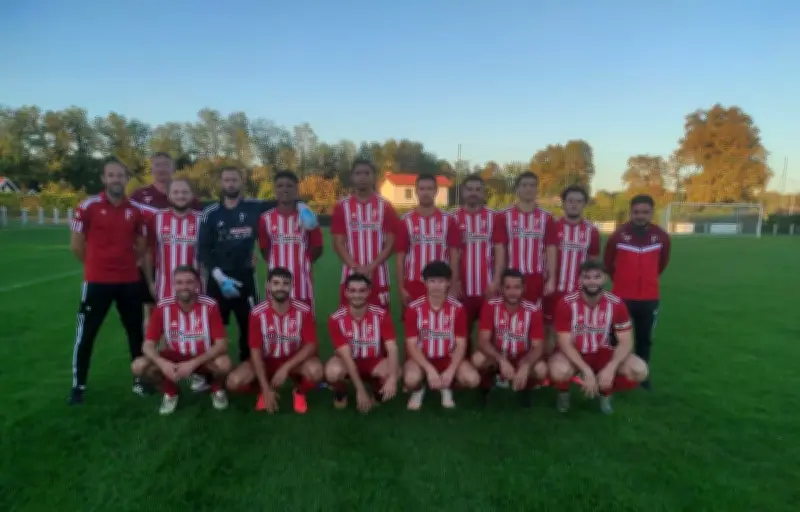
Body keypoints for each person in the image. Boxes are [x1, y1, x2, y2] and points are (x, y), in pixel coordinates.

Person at [198, 166, 316, 364]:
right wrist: (218, 276)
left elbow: (283, 197)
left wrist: (302, 205)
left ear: (242, 182)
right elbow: (202, 249)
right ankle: (210, 372)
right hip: (218, 279)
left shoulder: (254, 206)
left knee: (249, 324)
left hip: (246, 276)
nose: (230, 183)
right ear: (221, 183)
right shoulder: (210, 212)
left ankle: (248, 365)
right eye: (226, 180)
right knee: (212, 326)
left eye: (234, 179)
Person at [68, 158, 150, 404]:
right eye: (111, 175)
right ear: (104, 179)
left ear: (126, 179)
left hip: (129, 281)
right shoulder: (88, 206)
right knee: (87, 334)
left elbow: (143, 244)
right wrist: (94, 266)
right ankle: (78, 386)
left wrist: (129, 262)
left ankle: (139, 381)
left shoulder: (136, 210)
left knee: (135, 333)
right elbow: (76, 244)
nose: (116, 179)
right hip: (97, 282)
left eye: (120, 175)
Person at [548, 259, 649, 414]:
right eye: (587, 277)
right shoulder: (566, 303)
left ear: (605, 278)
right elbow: (564, 343)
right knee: (559, 371)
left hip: (602, 352)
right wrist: (586, 370)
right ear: (580, 280)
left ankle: (605, 393)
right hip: (574, 352)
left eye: (597, 277)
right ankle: (563, 394)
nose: (592, 282)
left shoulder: (616, 303)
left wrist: (611, 367)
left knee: (639, 370)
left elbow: (626, 341)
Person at [131, 265, 232, 415]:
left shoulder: (210, 305)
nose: (184, 287)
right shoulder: (162, 307)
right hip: (174, 357)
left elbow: (222, 344)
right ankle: (171, 393)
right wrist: (163, 363)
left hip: (202, 357)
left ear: (197, 284)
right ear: (173, 285)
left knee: (225, 364)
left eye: (189, 282)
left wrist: (192, 364)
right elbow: (148, 345)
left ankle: (216, 389)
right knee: (138, 366)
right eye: (179, 282)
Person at [226, 267, 324, 414]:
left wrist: (285, 368)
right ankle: (262, 391)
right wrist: (265, 388)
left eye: (285, 283)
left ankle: (299, 391)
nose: (281, 287)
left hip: (293, 361)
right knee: (233, 382)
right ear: (268, 286)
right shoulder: (257, 314)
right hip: (267, 361)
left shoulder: (304, 310)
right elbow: (255, 350)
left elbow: (311, 345)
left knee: (317, 371)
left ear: (291, 286)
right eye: (276, 283)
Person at [603, 194, 670, 389]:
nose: (640, 216)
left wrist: (647, 280)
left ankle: (642, 374)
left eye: (645, 212)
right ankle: (613, 372)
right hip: (621, 297)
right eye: (636, 212)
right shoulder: (618, 235)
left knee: (644, 338)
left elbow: (662, 263)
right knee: (614, 338)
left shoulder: (661, 236)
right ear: (631, 212)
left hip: (649, 297)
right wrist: (623, 281)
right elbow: (608, 263)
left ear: (652, 212)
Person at [131, 153, 202, 330]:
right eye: (158, 165)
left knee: (191, 314)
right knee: (154, 313)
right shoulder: (139, 196)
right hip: (155, 267)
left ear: (172, 168)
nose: (162, 169)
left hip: (189, 270)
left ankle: (188, 349)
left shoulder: (198, 212)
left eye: (166, 165)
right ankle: (155, 351)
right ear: (152, 168)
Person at [403, 261, 480, 410]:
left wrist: (451, 370)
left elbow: (461, 344)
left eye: (441, 281)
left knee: (472, 379)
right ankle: (419, 389)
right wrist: (429, 369)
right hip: (421, 358)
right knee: (411, 380)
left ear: (448, 283)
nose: (437, 286)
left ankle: (446, 387)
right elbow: (411, 344)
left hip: (447, 357)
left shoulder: (457, 309)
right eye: (432, 281)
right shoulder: (414, 308)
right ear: (425, 283)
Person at [324, 273, 401, 413]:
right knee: (332, 371)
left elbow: (393, 348)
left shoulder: (381, 315)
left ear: (368, 292)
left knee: (396, 370)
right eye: (352, 291)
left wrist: (393, 379)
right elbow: (346, 357)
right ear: (346, 292)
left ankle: (377, 391)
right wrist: (360, 391)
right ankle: (341, 392)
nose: (357, 295)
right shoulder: (336, 319)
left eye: (361, 290)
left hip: (374, 360)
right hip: (349, 361)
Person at [472, 269, 548, 408]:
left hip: (521, 355)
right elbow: (483, 341)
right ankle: (486, 387)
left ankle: (525, 388)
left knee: (541, 369)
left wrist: (525, 365)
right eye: (508, 287)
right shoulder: (490, 305)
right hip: (497, 354)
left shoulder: (533, 310)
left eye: (517, 287)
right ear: (501, 289)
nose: (512, 292)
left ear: (524, 288)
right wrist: (501, 359)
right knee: (478, 359)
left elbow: (538, 346)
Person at [331, 160, 398, 308]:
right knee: (349, 322)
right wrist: (355, 266)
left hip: (379, 275)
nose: (362, 177)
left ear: (374, 177)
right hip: (350, 274)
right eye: (358, 173)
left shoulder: (385, 206)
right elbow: (338, 243)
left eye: (367, 173)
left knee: (379, 322)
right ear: (352, 177)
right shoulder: (342, 206)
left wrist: (371, 266)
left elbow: (391, 243)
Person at [451, 174, 507, 346]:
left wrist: (497, 281)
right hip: (463, 288)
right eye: (470, 189)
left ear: (483, 193)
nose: (473, 193)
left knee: (491, 333)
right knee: (460, 333)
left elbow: (499, 250)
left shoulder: (495, 217)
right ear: (463, 192)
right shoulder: (452, 218)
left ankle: (491, 370)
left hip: (488, 287)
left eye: (478, 189)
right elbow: (453, 252)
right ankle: (462, 368)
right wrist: (455, 281)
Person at [257, 170, 323, 309]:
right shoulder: (265, 218)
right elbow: (264, 249)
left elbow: (318, 246)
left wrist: (304, 261)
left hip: (301, 281)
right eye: (280, 186)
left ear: (296, 189)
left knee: (304, 323)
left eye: (289, 185)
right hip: (275, 282)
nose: (285, 189)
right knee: (275, 324)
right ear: (275, 189)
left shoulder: (308, 216)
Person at [542, 185, 600, 341]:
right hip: (554, 289)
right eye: (570, 201)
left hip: (578, 290)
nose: (574, 204)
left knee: (576, 331)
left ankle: (571, 363)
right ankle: (550, 362)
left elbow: (593, 262)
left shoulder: (592, 231)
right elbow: (543, 255)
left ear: (584, 204)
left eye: (579, 201)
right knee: (549, 330)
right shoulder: (552, 226)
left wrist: (590, 285)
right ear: (564, 203)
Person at [396, 173, 461, 306]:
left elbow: (454, 256)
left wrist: (453, 284)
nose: (426, 193)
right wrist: (401, 287)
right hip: (414, 282)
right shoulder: (405, 221)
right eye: (422, 189)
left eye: (430, 189)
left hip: (441, 283)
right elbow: (400, 257)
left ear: (436, 191)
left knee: (441, 323)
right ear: (416, 191)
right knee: (414, 324)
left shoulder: (448, 220)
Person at [500, 171, 558, 306]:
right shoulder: (504, 216)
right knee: (510, 316)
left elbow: (551, 249)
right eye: (524, 185)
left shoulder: (547, 217)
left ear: (537, 189)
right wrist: (499, 278)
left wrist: (552, 279)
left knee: (533, 316)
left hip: (536, 276)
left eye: (532, 185)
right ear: (517, 189)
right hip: (511, 276)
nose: (529, 189)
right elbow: (500, 249)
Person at [142, 178, 203, 302]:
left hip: (197, 289)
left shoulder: (203, 220)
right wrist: (150, 282)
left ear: (192, 195)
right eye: (176, 192)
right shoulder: (156, 218)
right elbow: (147, 252)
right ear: (169, 196)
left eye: (185, 192)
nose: (180, 196)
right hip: (165, 288)